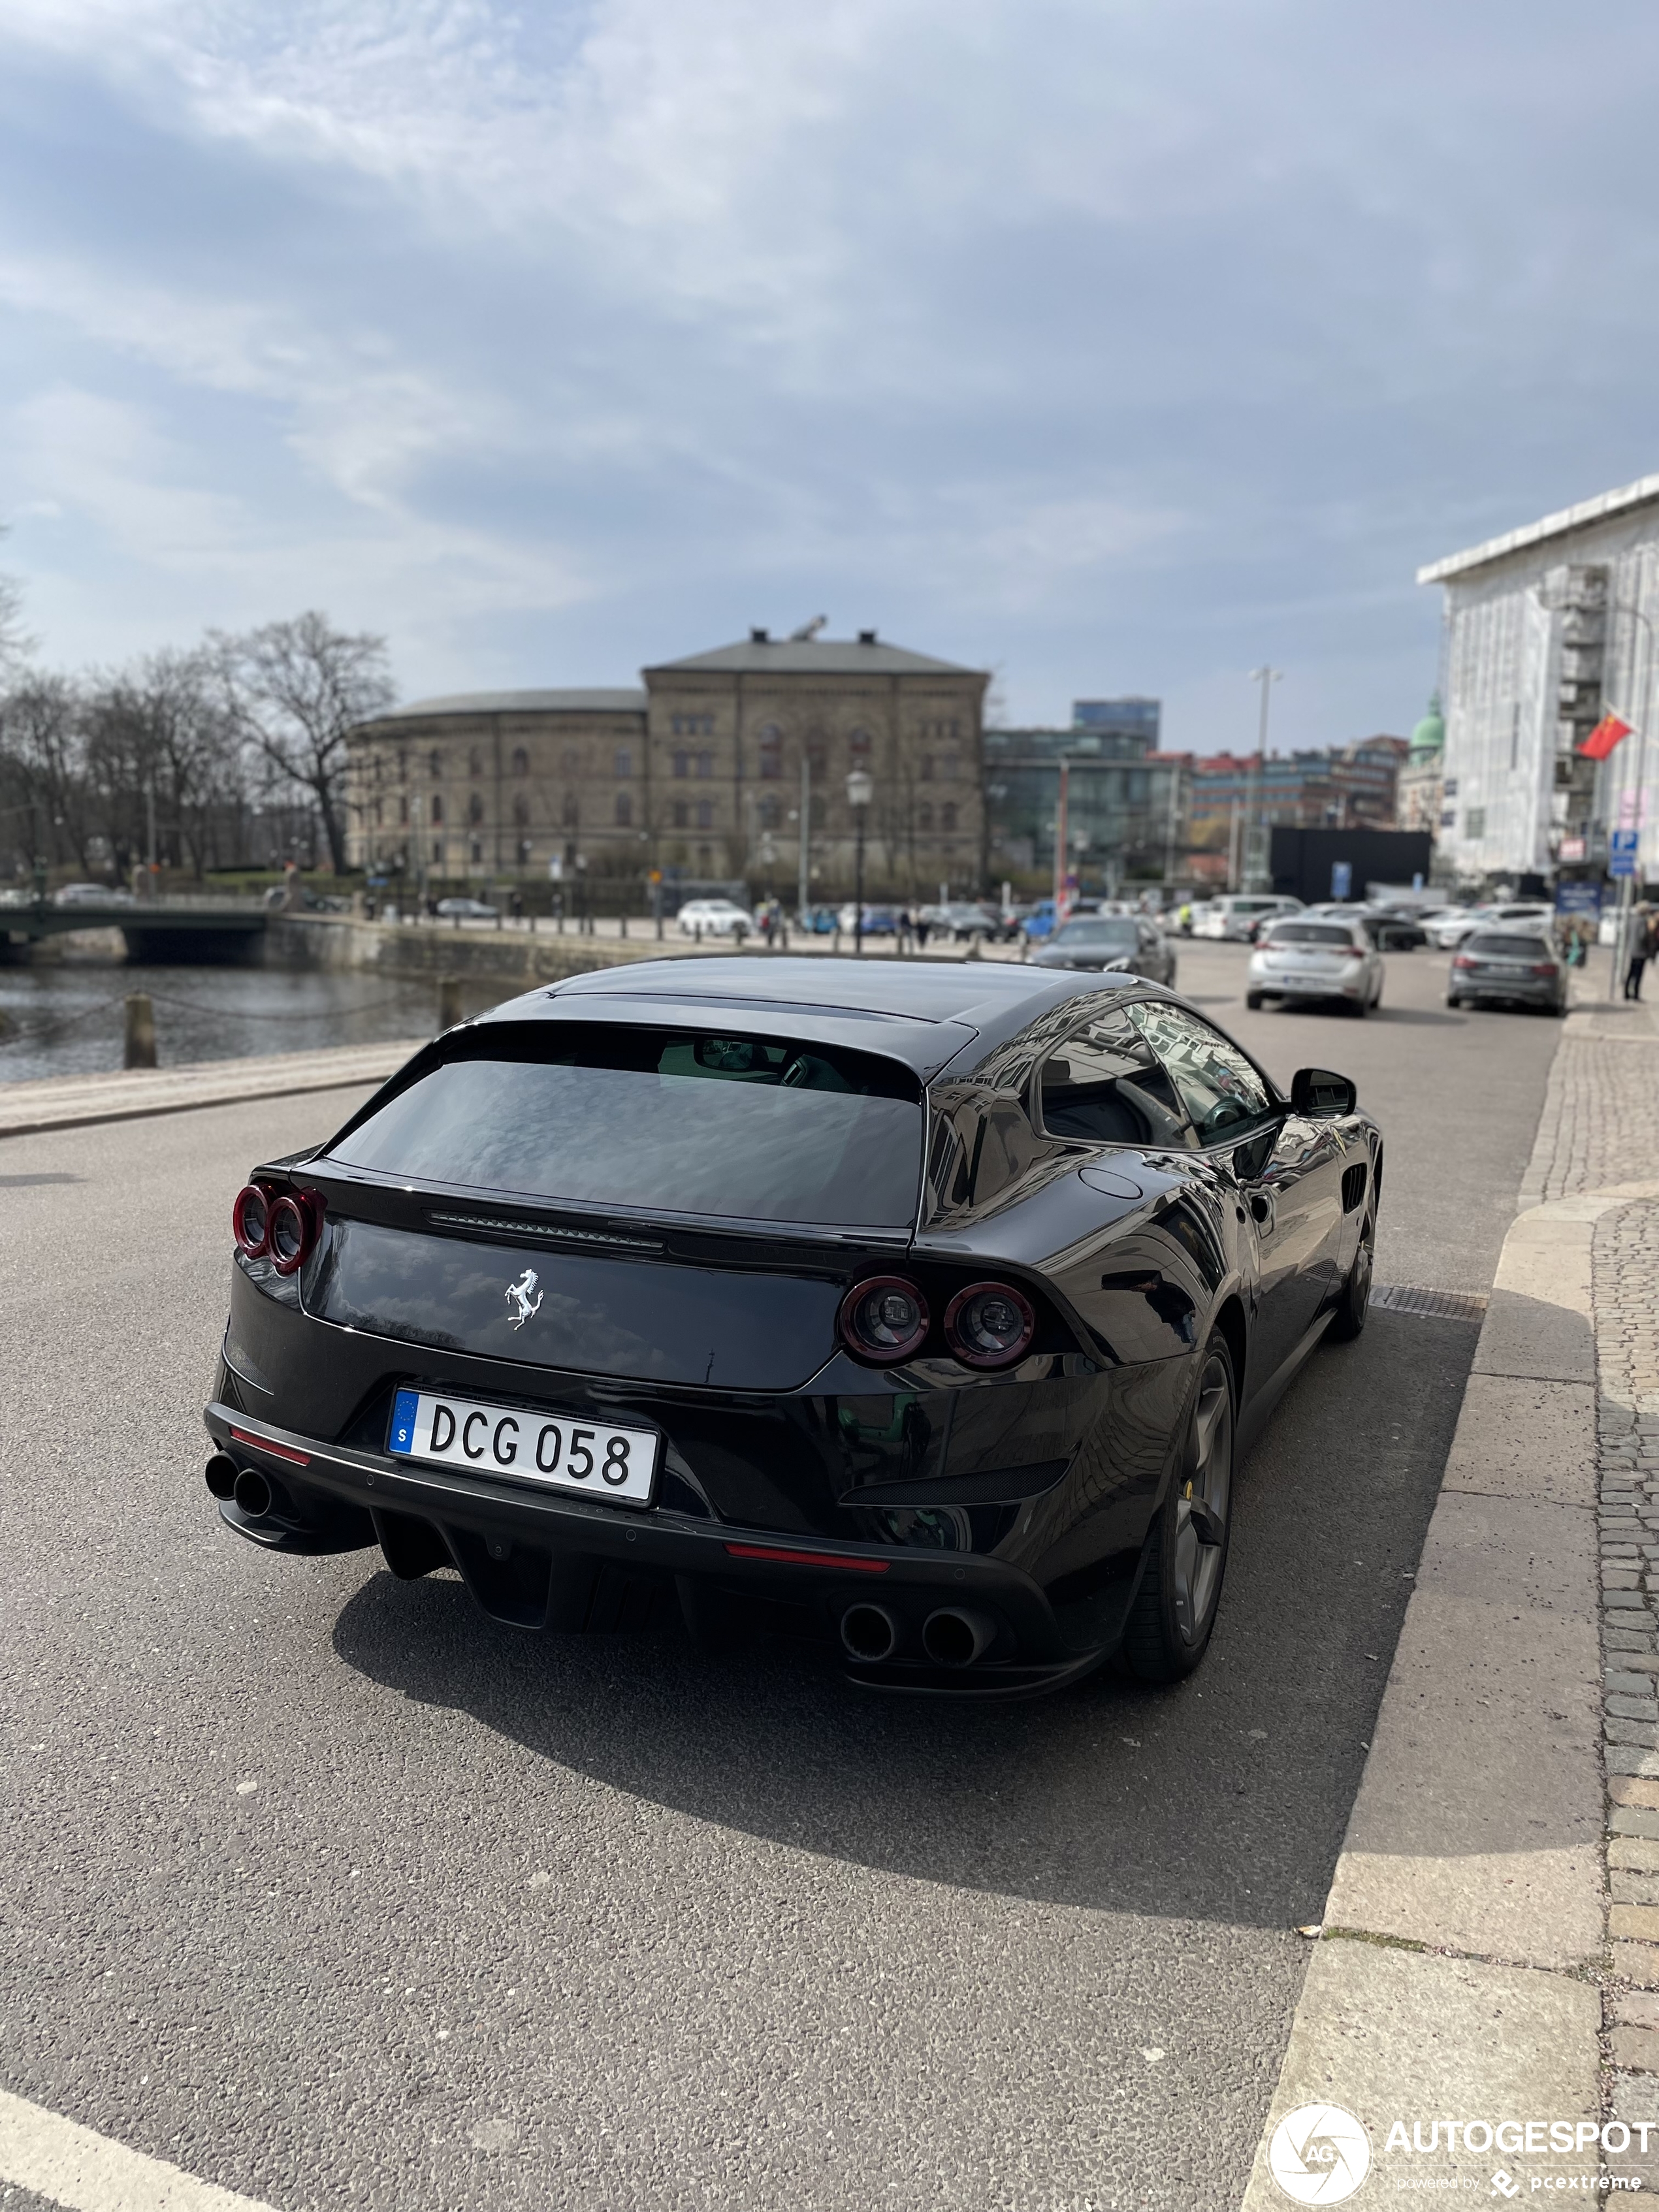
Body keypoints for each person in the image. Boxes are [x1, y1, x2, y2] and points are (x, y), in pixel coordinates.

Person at [1628, 907, 1659, 1000]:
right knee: (1638, 974)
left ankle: (1626, 993)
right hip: (1641, 951)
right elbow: (1643, 936)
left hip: (1633, 950)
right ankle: (1636, 994)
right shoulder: (1643, 922)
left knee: (1631, 972)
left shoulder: (1632, 920)